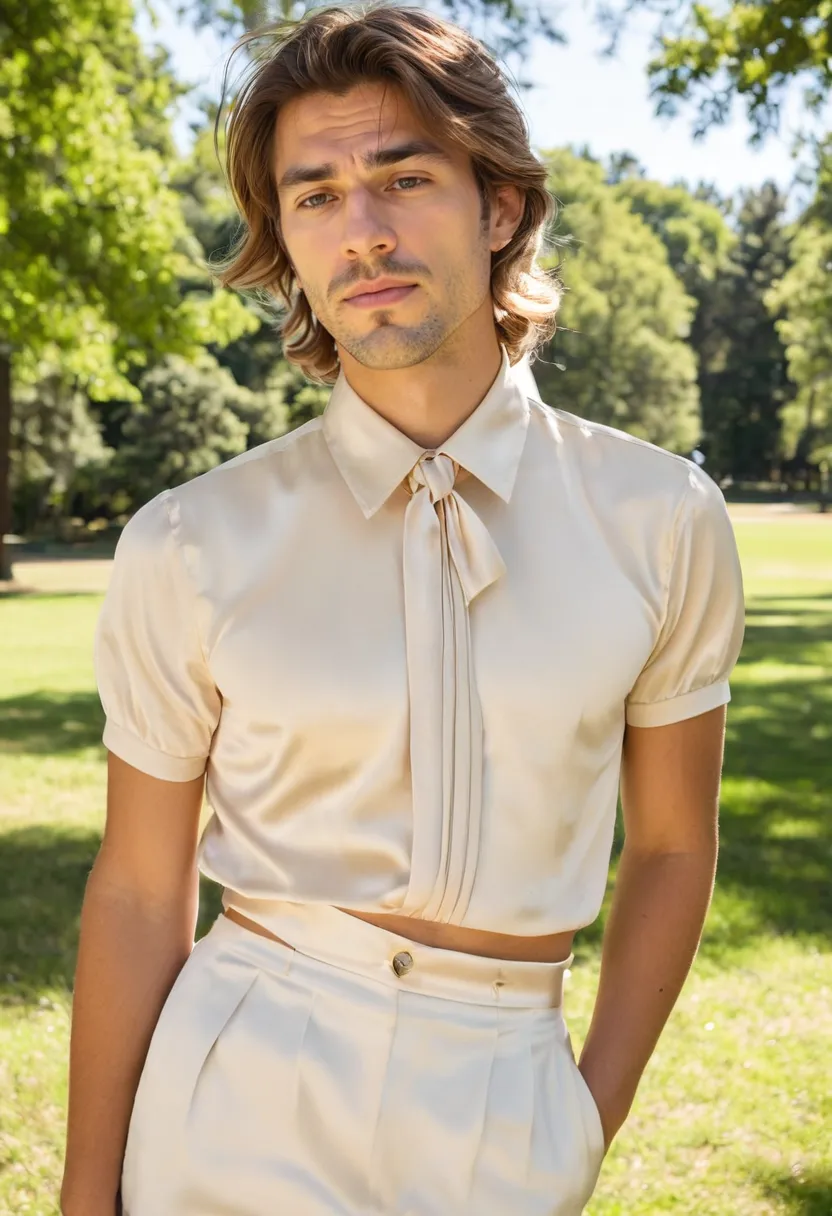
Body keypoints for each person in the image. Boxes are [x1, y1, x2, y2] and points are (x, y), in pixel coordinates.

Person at [60, 4, 746, 1215]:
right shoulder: (190, 539)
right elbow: (132, 886)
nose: (360, 231)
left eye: (402, 176)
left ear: (498, 207)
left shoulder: (661, 517)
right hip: (237, 1085)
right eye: (314, 195)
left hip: (508, 1104)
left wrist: (589, 1111)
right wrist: (84, 1191)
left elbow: (676, 845)